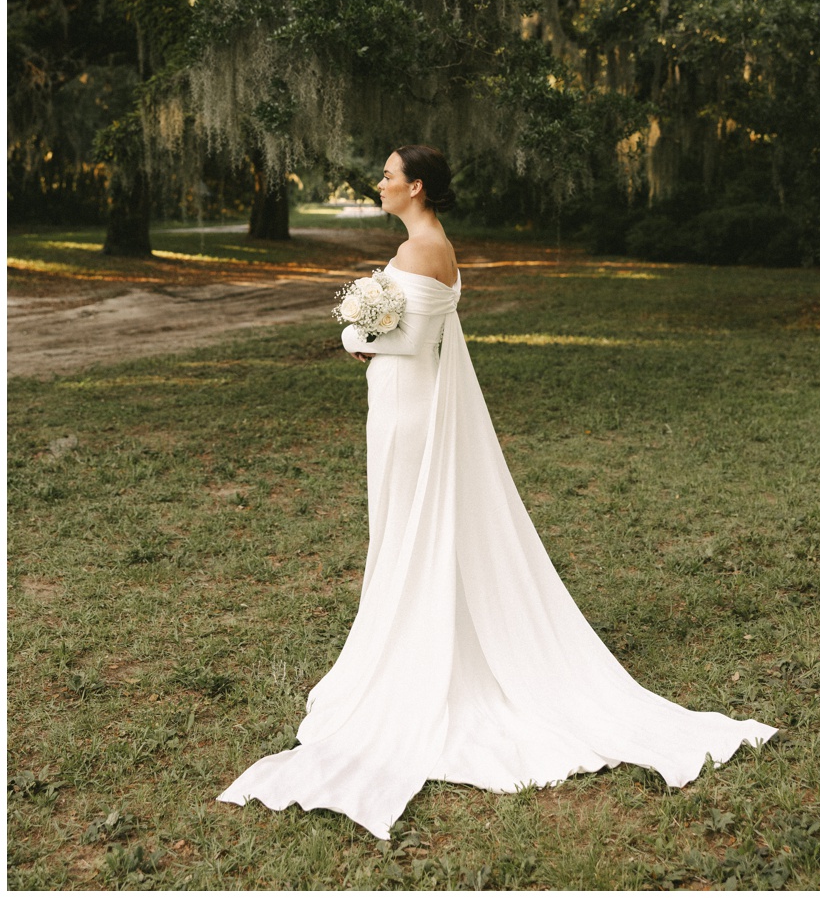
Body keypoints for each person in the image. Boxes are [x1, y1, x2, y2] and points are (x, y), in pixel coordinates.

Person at [218, 145, 775, 840]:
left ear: (415, 185)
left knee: (408, 527)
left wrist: (349, 333)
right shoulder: (422, 243)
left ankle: (424, 654)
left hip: (406, 405)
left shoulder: (425, 249)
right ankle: (430, 633)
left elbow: (406, 342)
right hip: (397, 404)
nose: (380, 182)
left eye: (389, 174)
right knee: (402, 527)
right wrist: (363, 327)